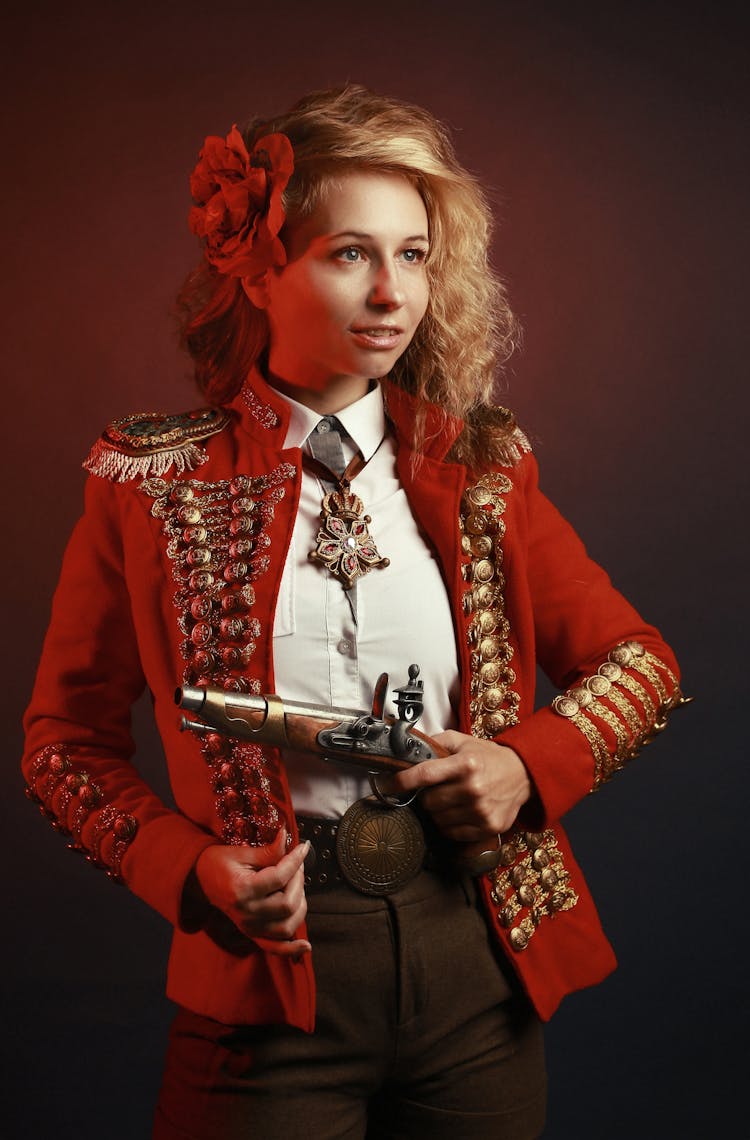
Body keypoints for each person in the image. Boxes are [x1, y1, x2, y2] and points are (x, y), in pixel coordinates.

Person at [22, 85, 688, 1140]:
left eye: (415, 255)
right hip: (267, 980)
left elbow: (642, 665)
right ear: (261, 266)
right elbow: (62, 747)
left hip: (475, 955)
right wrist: (190, 869)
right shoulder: (147, 483)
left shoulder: (482, 468)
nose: (392, 294)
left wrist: (525, 765)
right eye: (349, 253)